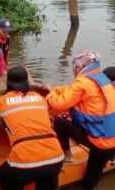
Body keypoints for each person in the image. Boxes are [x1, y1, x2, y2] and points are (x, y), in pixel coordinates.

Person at [46, 51, 115, 190]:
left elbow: (58, 105)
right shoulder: (102, 79)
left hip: (100, 144)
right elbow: (74, 91)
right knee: (95, 170)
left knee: (60, 123)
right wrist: (59, 89)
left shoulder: (82, 83)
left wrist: (51, 93)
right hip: (110, 138)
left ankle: (68, 156)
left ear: (79, 68)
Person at [0, 66, 64, 190]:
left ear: (8, 82)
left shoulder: (1, 101)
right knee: (48, 178)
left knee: (3, 174)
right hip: (56, 157)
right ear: (27, 82)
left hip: (25, 161)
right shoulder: (40, 98)